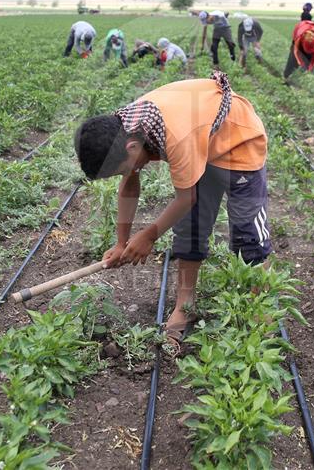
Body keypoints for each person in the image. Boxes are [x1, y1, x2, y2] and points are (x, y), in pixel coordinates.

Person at [74, 72, 271, 355]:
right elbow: (129, 183)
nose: (126, 173)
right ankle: (185, 307)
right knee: (189, 231)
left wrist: (149, 235)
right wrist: (121, 242)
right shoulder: (128, 126)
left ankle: (257, 316)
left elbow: (185, 198)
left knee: (250, 238)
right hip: (202, 142)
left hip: (238, 141)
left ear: (132, 147)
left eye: (121, 168)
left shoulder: (175, 135)